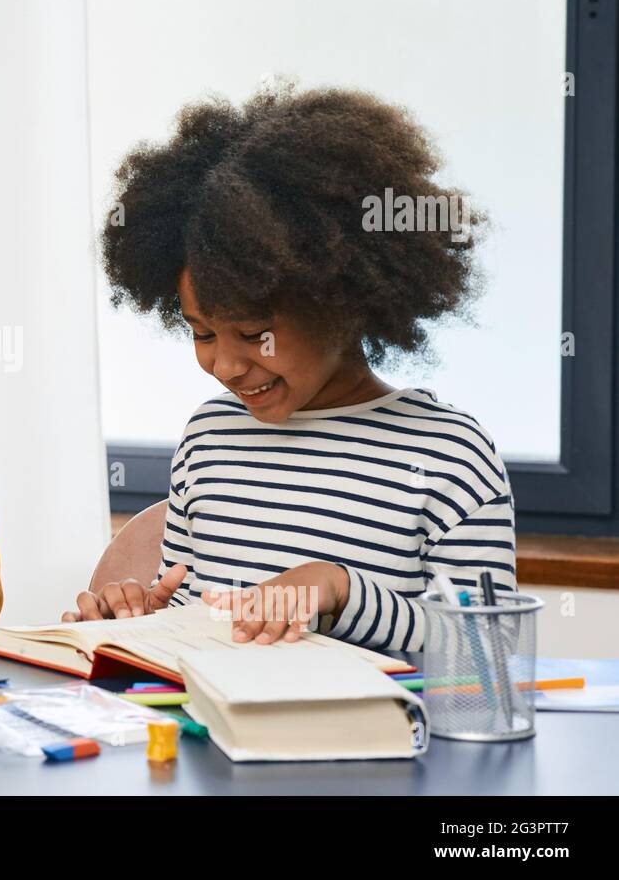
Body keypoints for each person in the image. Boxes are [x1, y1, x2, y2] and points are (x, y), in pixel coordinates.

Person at [63, 83, 515, 651]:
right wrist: (138, 617)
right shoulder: (210, 438)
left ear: (341, 304)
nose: (223, 363)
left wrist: (342, 590)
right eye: (200, 332)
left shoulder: (448, 455)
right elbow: (190, 605)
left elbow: (488, 650)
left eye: (255, 334)